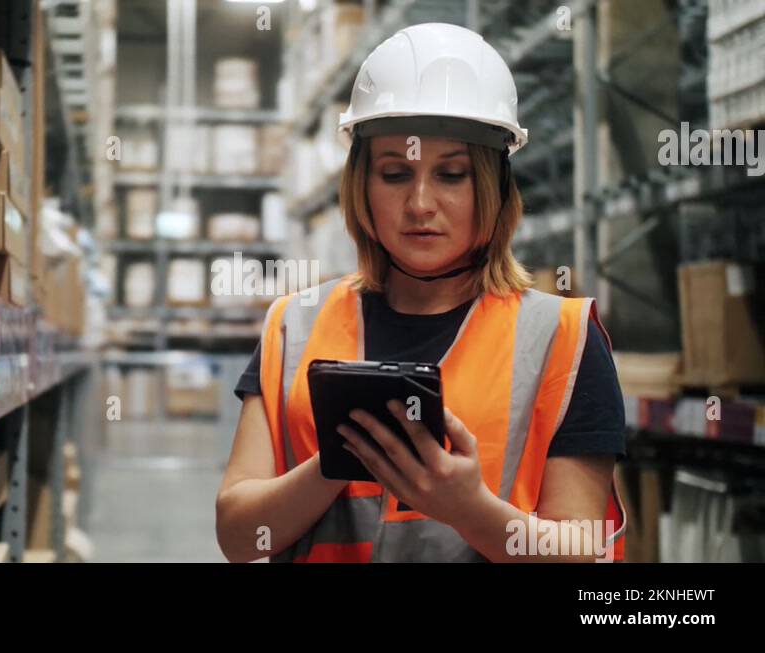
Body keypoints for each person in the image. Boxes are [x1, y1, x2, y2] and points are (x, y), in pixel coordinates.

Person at [215, 23, 627, 563]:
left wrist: (468, 507)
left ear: (494, 188)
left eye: (452, 175)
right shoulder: (293, 326)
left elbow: (585, 551)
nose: (420, 203)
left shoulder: (563, 339)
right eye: (394, 174)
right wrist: (341, 458)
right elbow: (239, 537)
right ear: (360, 185)